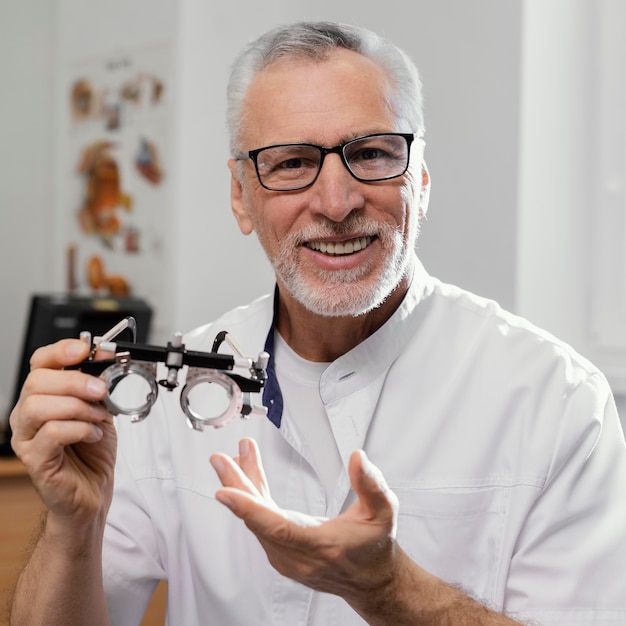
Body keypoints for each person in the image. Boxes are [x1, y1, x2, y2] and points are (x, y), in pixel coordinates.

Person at [8, 20, 626, 626]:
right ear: (240, 195)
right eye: (292, 163)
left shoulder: (558, 401)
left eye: (372, 153)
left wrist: (389, 590)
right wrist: (72, 530)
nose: (336, 203)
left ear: (423, 179)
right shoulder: (167, 392)